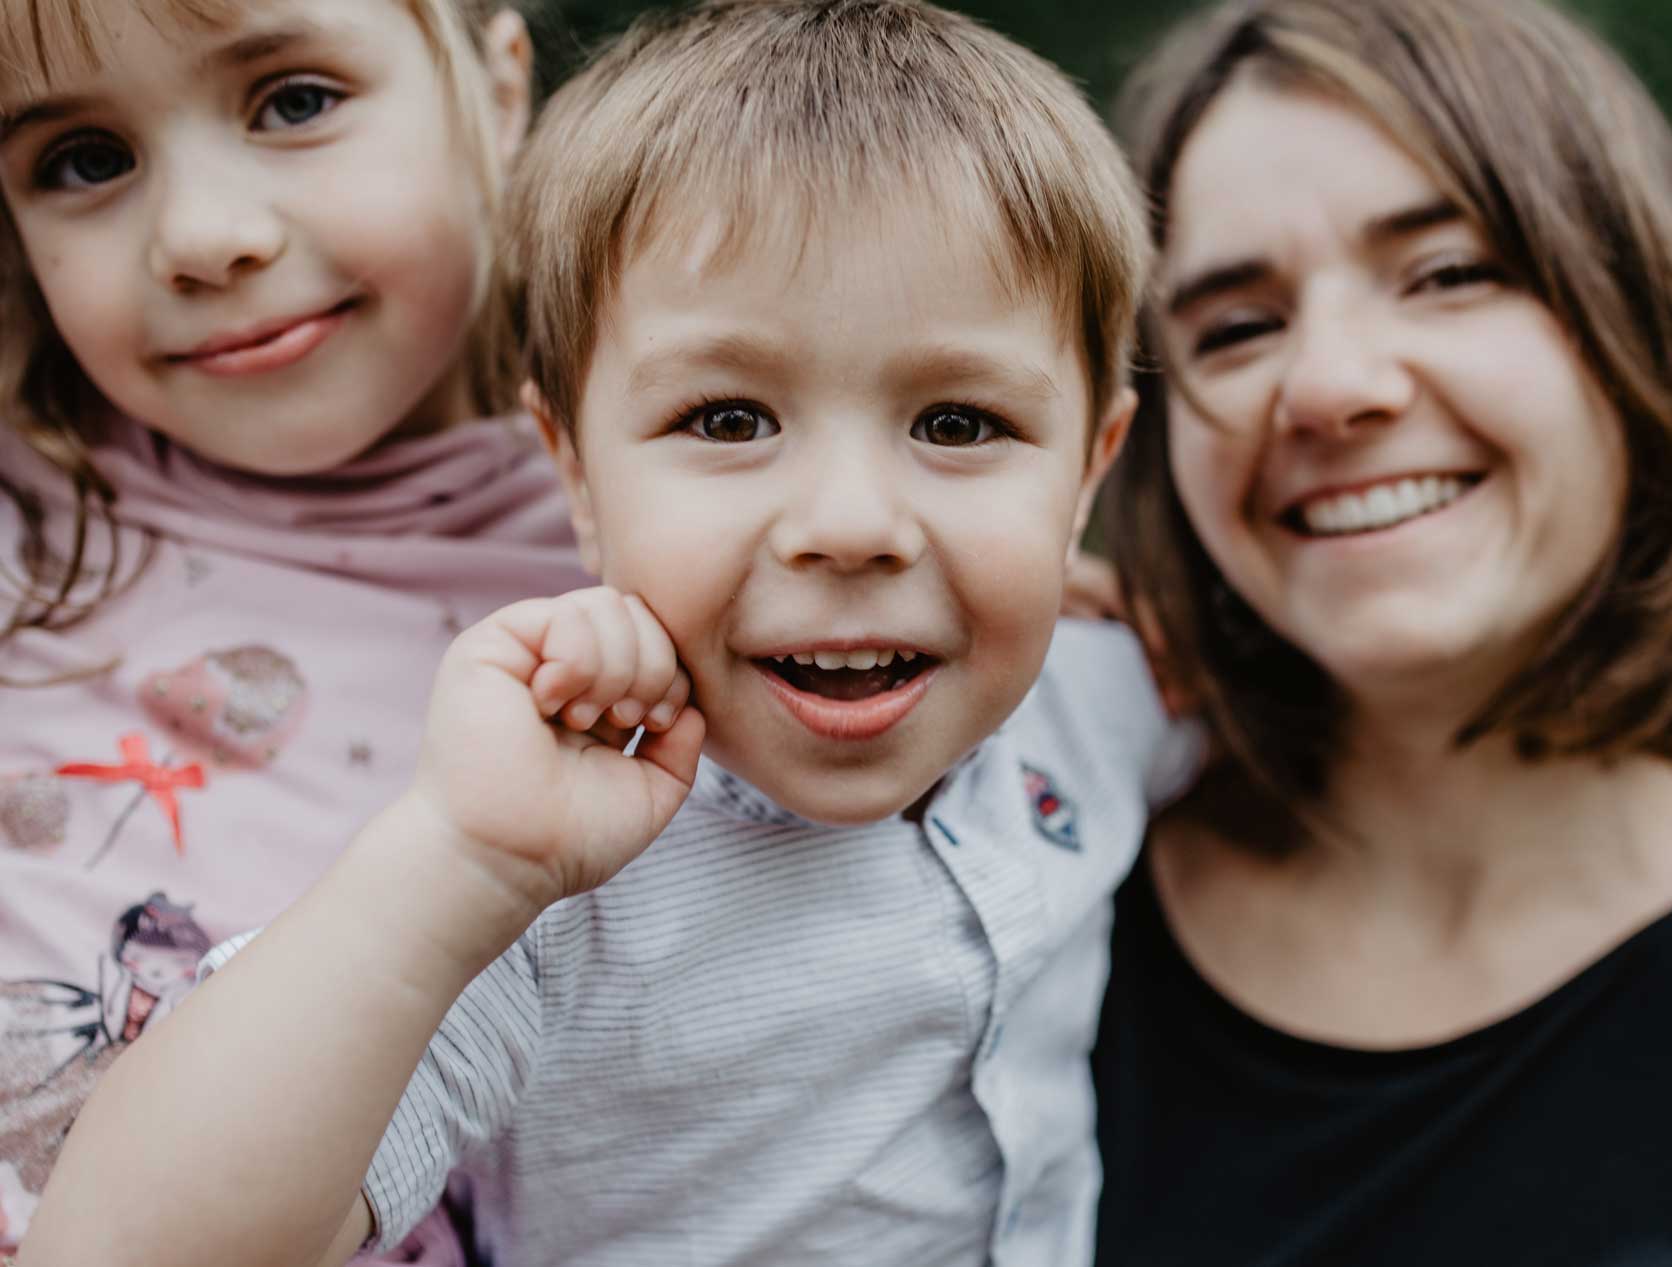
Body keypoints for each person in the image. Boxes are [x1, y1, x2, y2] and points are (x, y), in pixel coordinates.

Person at [15, 3, 1184, 1264]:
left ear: (1085, 476)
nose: (851, 527)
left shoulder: (1110, 695)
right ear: (570, 472)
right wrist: (459, 863)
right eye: (729, 420)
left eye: (958, 425)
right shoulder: (544, 869)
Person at [1089, 0, 1672, 1262]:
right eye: (1235, 326)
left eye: (1451, 273)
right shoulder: (1014, 894)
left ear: (1642, 324)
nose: (1332, 387)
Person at [0, 0, 573, 1259]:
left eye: (295, 101)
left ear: (499, 87)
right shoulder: (26, 534)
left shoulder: (657, 581)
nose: (205, 239)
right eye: (83, 160)